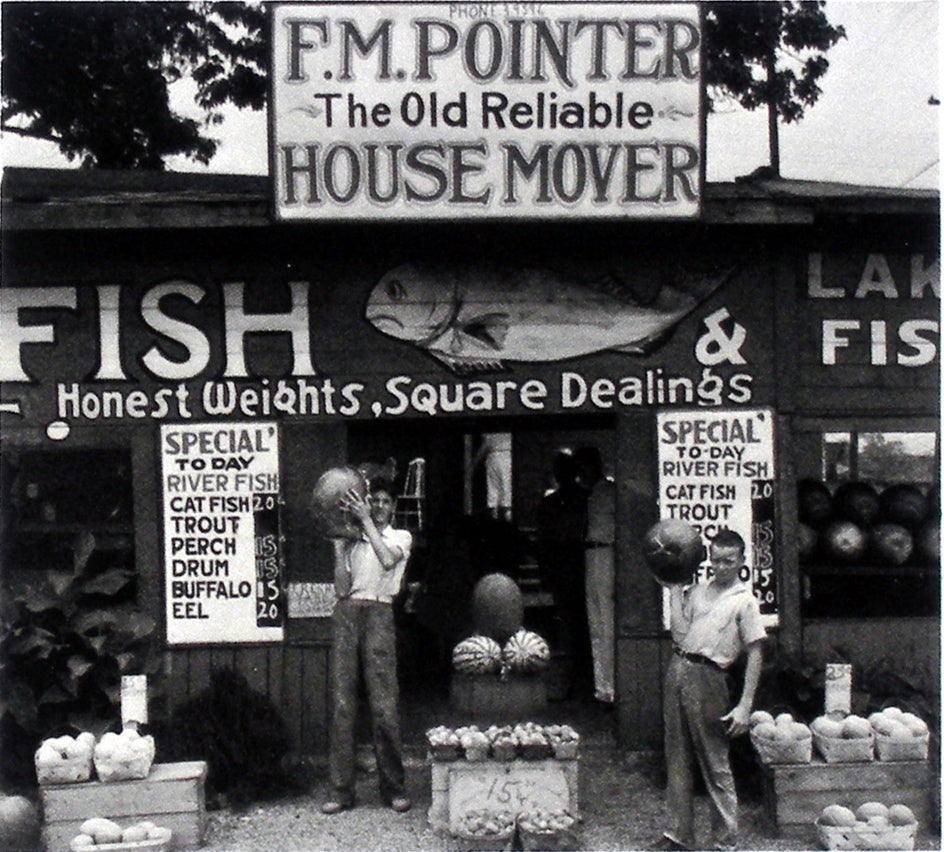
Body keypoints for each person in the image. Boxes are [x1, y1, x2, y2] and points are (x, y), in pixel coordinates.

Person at [655, 529, 766, 851]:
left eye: (729, 561)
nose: (721, 567)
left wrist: (745, 706)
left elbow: (756, 653)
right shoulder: (699, 592)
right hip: (678, 668)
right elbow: (679, 635)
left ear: (742, 562)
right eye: (716, 560)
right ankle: (678, 836)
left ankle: (724, 843)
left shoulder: (744, 602)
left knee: (715, 763)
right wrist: (675, 592)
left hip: (710, 678)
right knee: (676, 757)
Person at [322, 478, 413, 815]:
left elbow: (388, 561)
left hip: (379, 612)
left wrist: (363, 523)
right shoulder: (354, 538)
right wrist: (339, 549)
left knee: (384, 705)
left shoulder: (400, 537)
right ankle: (340, 791)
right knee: (343, 705)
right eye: (372, 500)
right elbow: (342, 589)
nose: (377, 506)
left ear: (393, 506)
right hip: (347, 613)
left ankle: (394, 788)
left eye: (384, 501)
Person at [536, 449, 590, 697]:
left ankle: (581, 681)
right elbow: (543, 541)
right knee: (569, 626)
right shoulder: (551, 504)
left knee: (582, 626)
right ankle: (569, 682)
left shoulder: (585, 499)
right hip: (564, 569)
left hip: (582, 567)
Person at [575, 446, 616, 705]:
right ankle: (602, 687)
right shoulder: (588, 494)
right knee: (595, 620)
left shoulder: (608, 491)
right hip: (591, 553)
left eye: (584, 467)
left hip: (605, 551)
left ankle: (611, 686)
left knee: (606, 620)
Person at [472, 432, 513, 521]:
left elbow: (485, 444)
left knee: (495, 492)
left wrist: (473, 464)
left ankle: (497, 518)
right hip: (503, 456)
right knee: (505, 492)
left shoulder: (491, 430)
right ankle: (505, 518)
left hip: (496, 456)